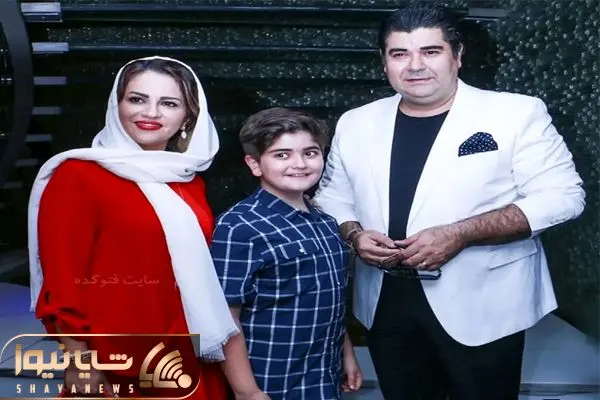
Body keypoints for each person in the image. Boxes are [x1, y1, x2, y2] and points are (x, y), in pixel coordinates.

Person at [313, 5, 585, 400]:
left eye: (431, 51)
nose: (415, 66)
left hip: (485, 303)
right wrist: (354, 235)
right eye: (400, 53)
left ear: (457, 56)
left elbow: (563, 196)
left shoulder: (516, 112)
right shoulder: (357, 122)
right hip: (385, 302)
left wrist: (460, 234)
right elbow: (332, 196)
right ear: (384, 62)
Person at [27, 56, 239, 399]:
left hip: (187, 353)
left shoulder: (187, 180)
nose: (151, 112)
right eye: (137, 99)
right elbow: (62, 282)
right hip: (116, 361)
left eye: (168, 103)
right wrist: (80, 361)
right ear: (117, 105)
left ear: (188, 117)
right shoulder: (77, 175)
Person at [210, 107, 363, 400]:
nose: (300, 164)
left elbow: (328, 297)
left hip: (322, 377)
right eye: (282, 155)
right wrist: (247, 392)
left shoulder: (326, 223)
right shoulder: (240, 226)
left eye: (310, 153)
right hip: (271, 381)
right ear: (255, 164)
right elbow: (224, 319)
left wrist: (346, 351)